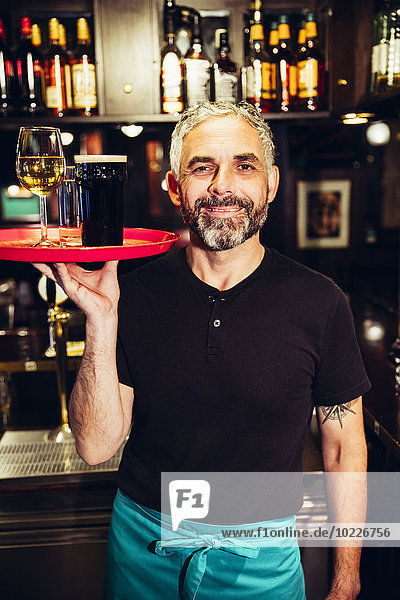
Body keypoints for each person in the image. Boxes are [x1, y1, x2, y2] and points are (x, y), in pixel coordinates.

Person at [34, 101, 370, 600]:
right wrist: (101, 322)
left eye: (244, 164)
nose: (222, 185)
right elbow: (96, 446)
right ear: (175, 186)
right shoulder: (133, 294)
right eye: (202, 166)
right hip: (145, 549)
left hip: (263, 556)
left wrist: (346, 576)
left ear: (271, 183)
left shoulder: (320, 302)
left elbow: (343, 448)